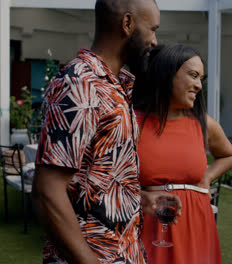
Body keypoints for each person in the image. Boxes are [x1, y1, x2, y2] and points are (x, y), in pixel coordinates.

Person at [32, 1, 181, 263]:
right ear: (127, 24)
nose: (155, 41)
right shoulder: (80, 83)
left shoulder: (116, 85)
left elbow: (96, 177)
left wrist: (141, 200)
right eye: (152, 29)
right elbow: (48, 193)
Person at [131, 44, 232, 264]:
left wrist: (207, 176)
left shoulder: (203, 124)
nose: (199, 86)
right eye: (193, 75)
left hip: (196, 224)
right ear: (167, 74)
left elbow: (228, 155)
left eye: (201, 79)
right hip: (148, 226)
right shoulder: (131, 122)